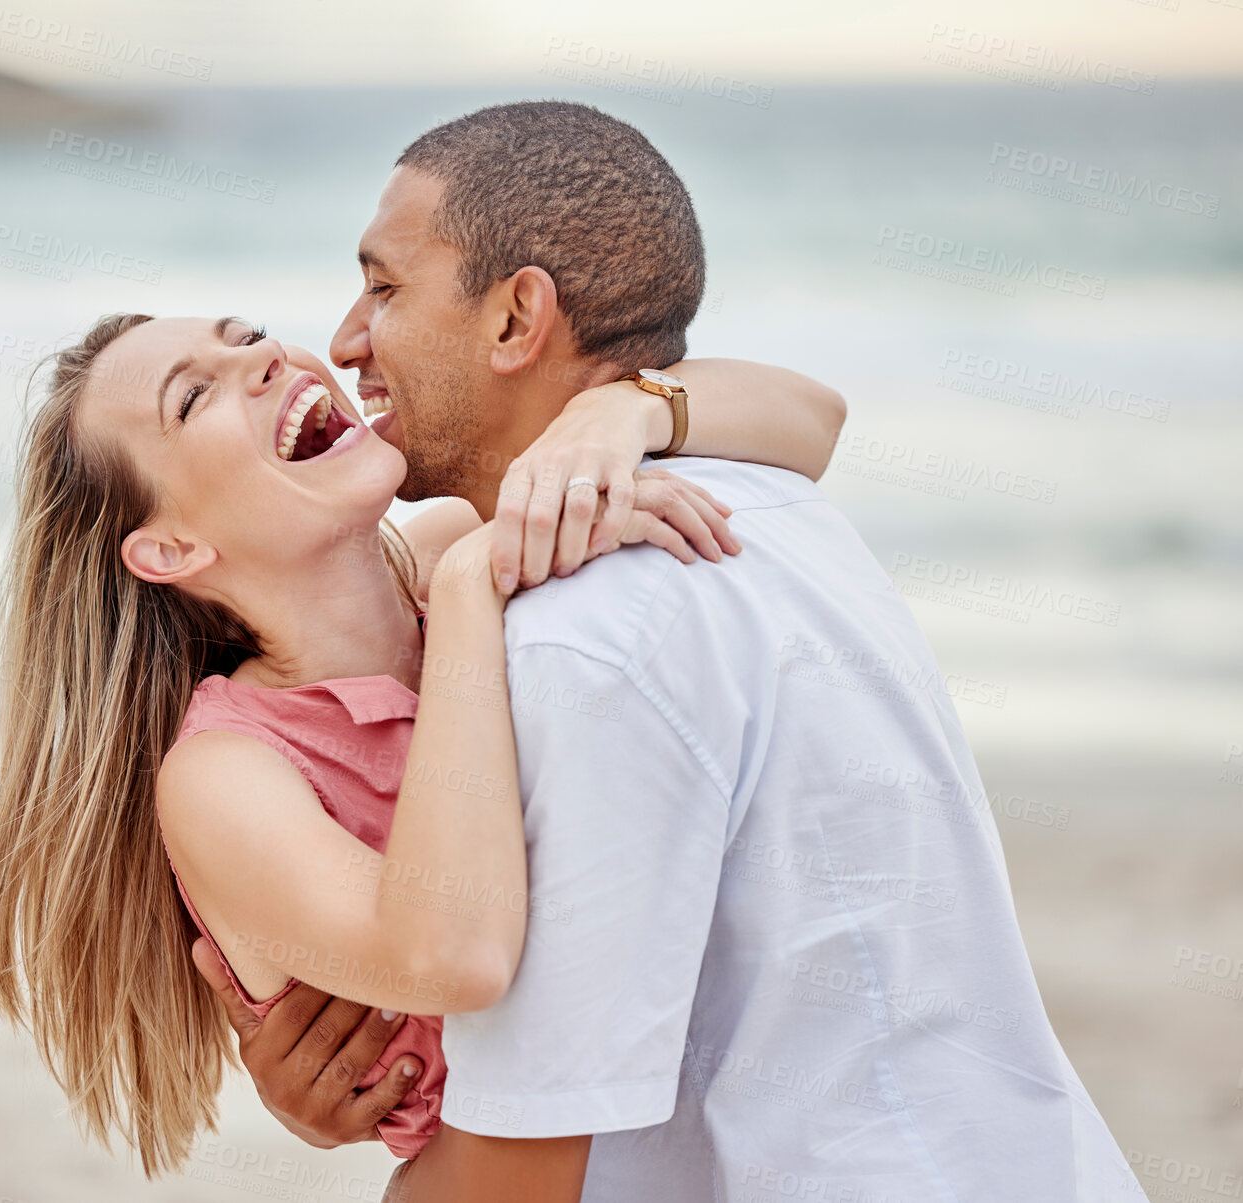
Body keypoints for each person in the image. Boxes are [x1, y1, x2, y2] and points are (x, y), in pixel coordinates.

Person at [220, 101, 1149, 1202]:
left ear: (518, 318)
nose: (345, 340)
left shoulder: (575, 645)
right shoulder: (774, 503)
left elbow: (517, 1174)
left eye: (386, 287)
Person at [0, 305, 845, 1174]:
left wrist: (625, 411)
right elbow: (453, 957)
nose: (266, 358)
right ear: (170, 548)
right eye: (194, 397)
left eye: (245, 336)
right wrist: (469, 590)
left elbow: (813, 421)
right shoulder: (225, 772)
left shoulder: (457, 538)